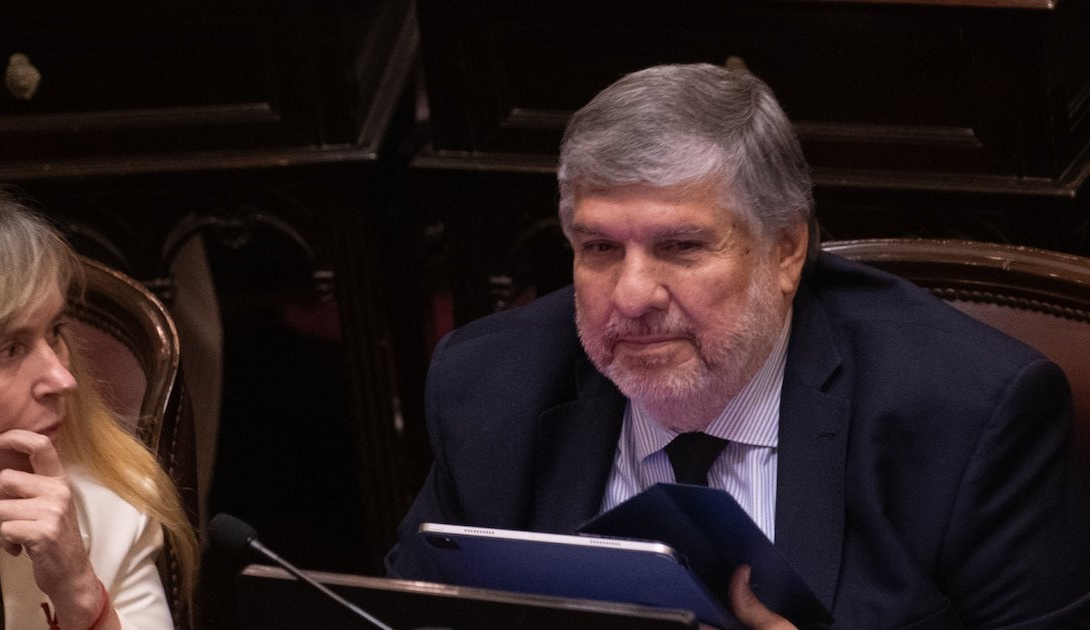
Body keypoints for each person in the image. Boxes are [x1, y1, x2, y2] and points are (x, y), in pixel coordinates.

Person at [386, 63, 1090, 628]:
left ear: (785, 250)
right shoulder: (489, 388)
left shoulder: (966, 418)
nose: (632, 295)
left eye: (681, 246)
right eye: (599, 247)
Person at [0, 173, 198, 629]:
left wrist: (79, 594)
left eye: (55, 332)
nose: (61, 378)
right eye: (8, 349)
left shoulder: (106, 513)